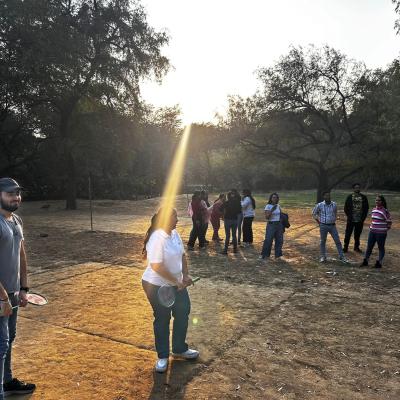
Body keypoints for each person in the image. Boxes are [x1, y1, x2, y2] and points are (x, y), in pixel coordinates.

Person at [142, 208, 199, 373]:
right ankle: (162, 356)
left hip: (176, 283)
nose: (178, 221)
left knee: (183, 311)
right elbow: (156, 266)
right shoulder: (156, 237)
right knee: (162, 318)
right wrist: (176, 281)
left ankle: (180, 349)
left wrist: (185, 276)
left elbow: (182, 255)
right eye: (174, 218)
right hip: (156, 285)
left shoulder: (174, 234)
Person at [0, 178, 35, 399]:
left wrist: (24, 288)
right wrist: (3, 297)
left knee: (9, 338)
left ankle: (7, 381)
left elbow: (21, 254)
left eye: (18, 193)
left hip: (13, 292)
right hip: (1, 295)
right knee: (1, 344)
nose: (16, 197)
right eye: (10, 193)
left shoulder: (16, 220)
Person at [312, 191, 347, 263]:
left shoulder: (334, 204)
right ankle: (323, 256)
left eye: (329, 195)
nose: (328, 197)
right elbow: (314, 213)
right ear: (324, 197)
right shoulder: (320, 205)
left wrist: (333, 219)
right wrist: (319, 222)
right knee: (323, 241)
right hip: (323, 225)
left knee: (337, 241)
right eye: (326, 196)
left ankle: (342, 256)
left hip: (332, 226)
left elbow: (335, 212)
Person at [360, 195, 392, 268]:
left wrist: (385, 229)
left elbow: (389, 221)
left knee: (381, 248)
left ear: (382, 202)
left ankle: (379, 263)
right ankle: (365, 261)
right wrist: (372, 226)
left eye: (379, 200)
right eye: (376, 200)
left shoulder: (384, 211)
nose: (377, 201)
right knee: (369, 247)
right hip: (372, 232)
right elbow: (373, 220)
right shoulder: (374, 209)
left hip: (381, 233)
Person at [343, 183, 369, 253]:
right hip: (351, 220)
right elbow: (345, 208)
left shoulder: (364, 197)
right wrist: (349, 216)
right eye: (356, 187)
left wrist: (363, 218)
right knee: (348, 233)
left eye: (358, 187)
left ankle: (356, 247)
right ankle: (345, 247)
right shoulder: (349, 197)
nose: (357, 189)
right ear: (353, 189)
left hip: (359, 220)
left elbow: (366, 208)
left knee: (357, 234)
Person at [259, 193, 284, 260]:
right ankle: (265, 255)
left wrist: (282, 220)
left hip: (279, 225)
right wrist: (272, 210)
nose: (275, 199)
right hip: (271, 224)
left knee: (279, 240)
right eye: (273, 197)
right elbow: (267, 217)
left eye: (276, 197)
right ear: (271, 198)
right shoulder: (268, 206)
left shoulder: (278, 205)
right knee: (268, 240)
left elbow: (280, 214)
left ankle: (278, 255)